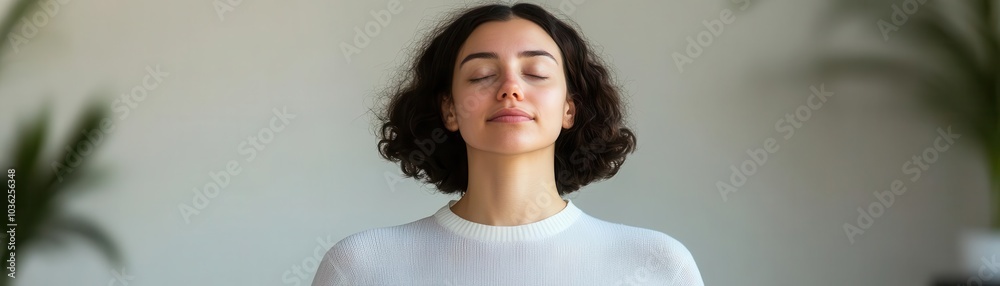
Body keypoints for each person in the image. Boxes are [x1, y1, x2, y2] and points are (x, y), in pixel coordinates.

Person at [312, 3, 704, 285]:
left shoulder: (656, 265)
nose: (510, 89)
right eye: (482, 74)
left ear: (570, 108)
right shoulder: (362, 267)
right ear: (449, 109)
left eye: (535, 72)